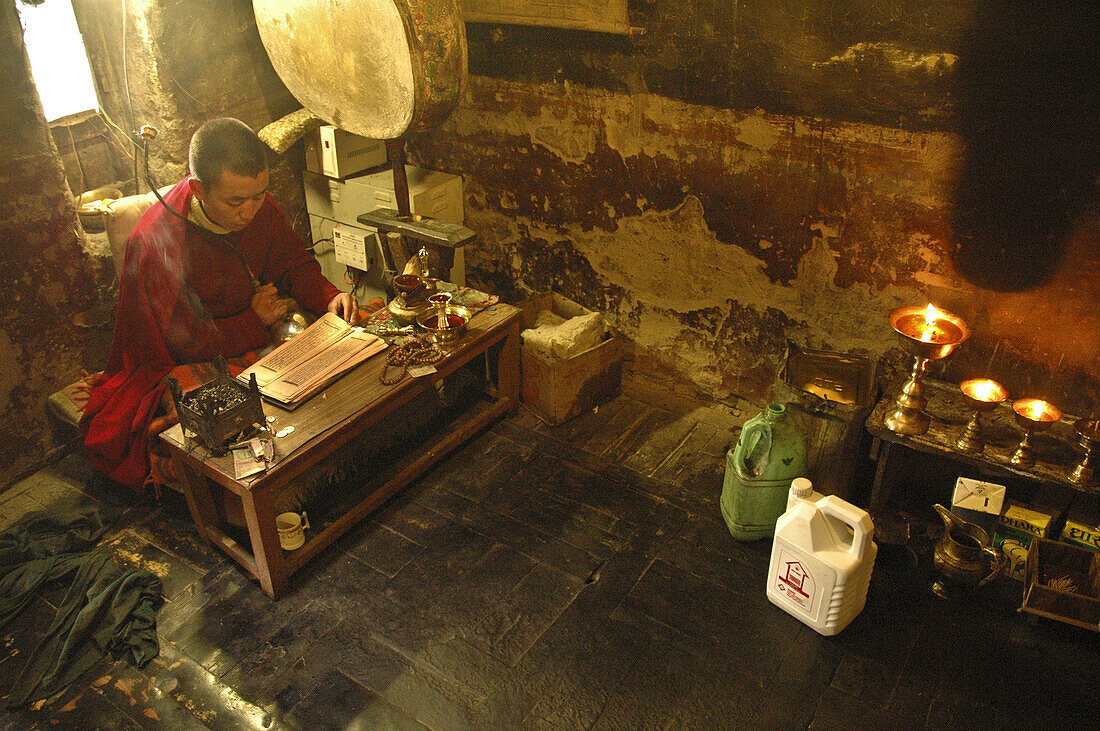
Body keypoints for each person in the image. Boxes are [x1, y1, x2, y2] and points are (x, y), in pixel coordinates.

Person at [81, 117, 359, 491]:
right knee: (202, 407)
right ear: (198, 189)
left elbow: (292, 262)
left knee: (343, 344)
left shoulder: (259, 206)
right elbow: (177, 344)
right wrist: (252, 319)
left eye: (259, 195)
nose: (250, 211)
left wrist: (330, 296)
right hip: (194, 354)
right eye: (237, 201)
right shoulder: (156, 244)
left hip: (255, 326)